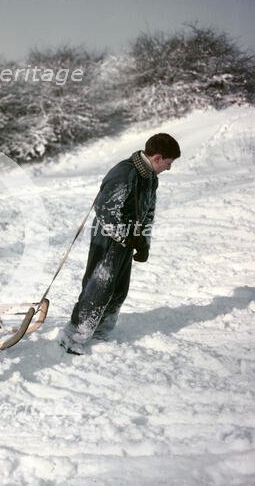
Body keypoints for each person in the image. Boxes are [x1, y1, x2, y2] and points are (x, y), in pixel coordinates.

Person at [59, 133, 180, 355]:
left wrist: (143, 242)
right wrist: (127, 237)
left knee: (118, 290)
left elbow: (148, 213)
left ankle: (100, 333)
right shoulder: (125, 173)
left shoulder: (150, 177)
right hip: (106, 239)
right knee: (98, 287)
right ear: (157, 157)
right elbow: (106, 213)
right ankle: (73, 336)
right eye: (168, 163)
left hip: (127, 239)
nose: (169, 168)